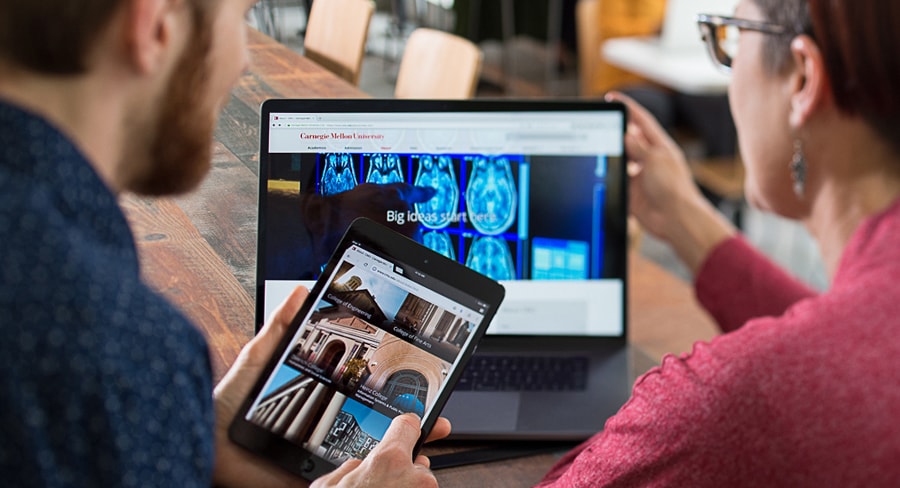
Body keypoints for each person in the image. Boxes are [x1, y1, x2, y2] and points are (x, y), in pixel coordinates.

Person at [293, 0, 900, 485]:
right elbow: (847, 341)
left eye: (734, 37)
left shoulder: (721, 403)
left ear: (800, 77)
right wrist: (687, 219)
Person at [0, 0, 448, 487]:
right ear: (155, 25)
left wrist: (197, 437)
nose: (243, 62)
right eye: (241, 17)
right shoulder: (119, 353)